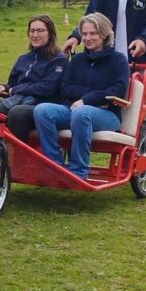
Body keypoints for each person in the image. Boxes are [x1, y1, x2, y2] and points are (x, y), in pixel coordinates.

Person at [34, 12, 130, 180]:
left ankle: (78, 171)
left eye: (93, 33)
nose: (87, 38)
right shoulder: (77, 60)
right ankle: (54, 165)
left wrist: (86, 100)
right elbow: (65, 88)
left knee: (82, 112)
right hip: (75, 109)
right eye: (84, 34)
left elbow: (117, 90)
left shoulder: (118, 60)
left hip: (108, 115)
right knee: (42, 110)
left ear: (105, 34)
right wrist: (88, 98)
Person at [0, 14, 66, 147]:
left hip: (42, 105)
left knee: (17, 112)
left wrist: (15, 89)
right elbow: (12, 84)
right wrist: (4, 87)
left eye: (40, 30)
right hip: (17, 101)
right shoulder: (23, 59)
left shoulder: (59, 60)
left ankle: (16, 157)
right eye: (32, 31)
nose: (35, 35)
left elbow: (47, 88)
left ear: (50, 33)